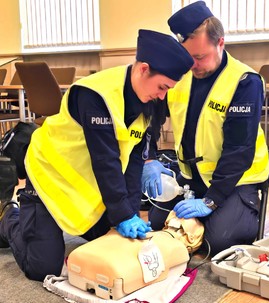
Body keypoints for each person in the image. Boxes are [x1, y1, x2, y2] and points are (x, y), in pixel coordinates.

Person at [0, 29, 194, 281]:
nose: (162, 95)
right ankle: (8, 217)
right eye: (162, 86)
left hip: (83, 186)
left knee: (113, 246)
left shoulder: (148, 101)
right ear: (143, 69)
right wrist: (122, 214)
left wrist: (131, 211)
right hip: (49, 177)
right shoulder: (95, 95)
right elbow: (106, 161)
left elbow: (134, 161)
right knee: (42, 268)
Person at [142, 1, 269, 256]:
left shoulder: (245, 82)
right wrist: (149, 159)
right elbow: (149, 116)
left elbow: (239, 150)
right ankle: (204, 218)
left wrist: (212, 201)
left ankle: (240, 212)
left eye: (200, 57)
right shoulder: (181, 75)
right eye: (187, 57)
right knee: (157, 223)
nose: (193, 65)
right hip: (192, 177)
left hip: (235, 180)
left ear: (220, 43)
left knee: (219, 241)